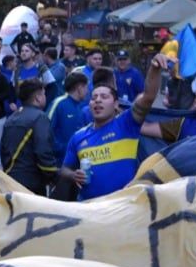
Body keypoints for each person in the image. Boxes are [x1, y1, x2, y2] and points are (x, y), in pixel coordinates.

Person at [58, 53, 169, 201]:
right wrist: (73, 175)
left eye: (104, 97)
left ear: (116, 104)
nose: (97, 101)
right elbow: (64, 169)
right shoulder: (78, 137)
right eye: (94, 98)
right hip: (88, 208)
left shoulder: (126, 124)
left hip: (123, 207)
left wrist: (154, 70)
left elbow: (148, 97)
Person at [0, 79, 58, 195]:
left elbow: (2, 149)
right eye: (44, 94)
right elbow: (43, 151)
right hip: (32, 182)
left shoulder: (11, 118)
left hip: (10, 181)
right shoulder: (40, 117)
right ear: (38, 98)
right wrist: (53, 175)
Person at [47, 72, 89, 160]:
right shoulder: (58, 103)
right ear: (79, 88)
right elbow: (46, 130)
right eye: (86, 87)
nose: (87, 91)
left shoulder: (81, 107)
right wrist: (61, 149)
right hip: (58, 162)